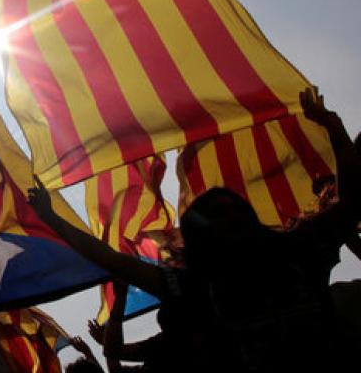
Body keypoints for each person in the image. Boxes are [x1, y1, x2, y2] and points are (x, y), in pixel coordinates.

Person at [28, 87, 361, 371]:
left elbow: (351, 202)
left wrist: (332, 125)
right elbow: (114, 262)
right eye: (219, 218)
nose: (230, 223)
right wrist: (52, 219)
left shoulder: (296, 252)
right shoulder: (194, 287)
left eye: (232, 212)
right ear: (203, 243)